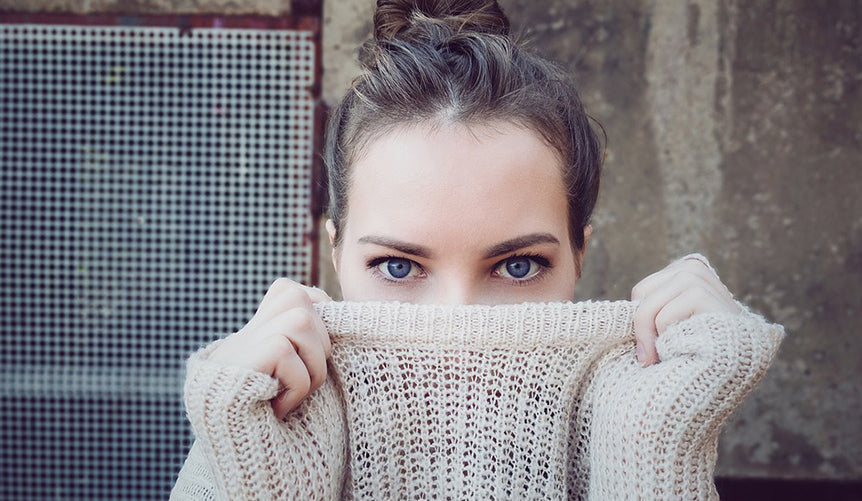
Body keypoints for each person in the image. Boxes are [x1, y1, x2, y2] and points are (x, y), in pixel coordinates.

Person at [207, 0, 743, 423]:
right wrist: (234, 457)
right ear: (336, 252)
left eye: (517, 266)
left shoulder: (637, 427)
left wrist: (668, 447)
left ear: (579, 254)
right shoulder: (264, 426)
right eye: (398, 266)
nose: (458, 333)